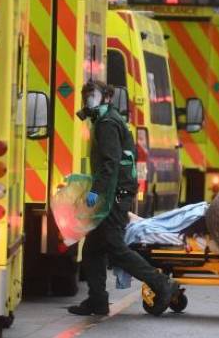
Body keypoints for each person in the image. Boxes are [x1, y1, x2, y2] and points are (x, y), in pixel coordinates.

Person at [68, 82, 179, 316]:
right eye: (86, 96)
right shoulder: (108, 119)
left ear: (107, 97)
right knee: (92, 250)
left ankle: (162, 284)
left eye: (93, 95)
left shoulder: (107, 124)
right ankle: (97, 300)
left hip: (114, 194)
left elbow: (110, 163)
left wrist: (96, 191)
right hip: (116, 191)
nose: (89, 100)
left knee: (115, 247)